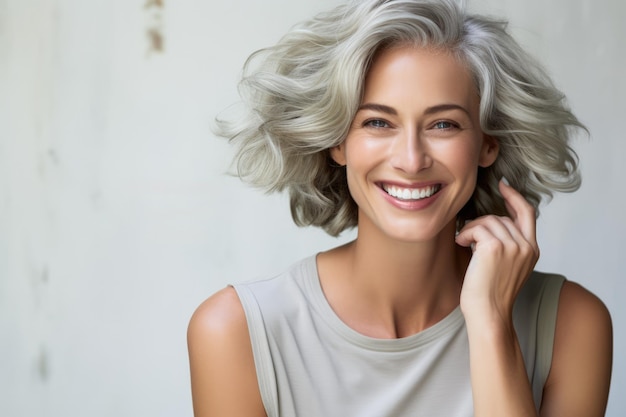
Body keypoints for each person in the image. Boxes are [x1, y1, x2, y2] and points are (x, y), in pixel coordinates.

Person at [187, 0, 613, 415]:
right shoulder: (235, 331)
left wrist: (490, 324)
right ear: (338, 142)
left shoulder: (572, 325)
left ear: (487, 144)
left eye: (443, 124)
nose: (411, 160)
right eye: (378, 122)